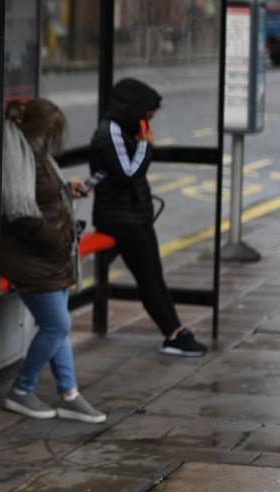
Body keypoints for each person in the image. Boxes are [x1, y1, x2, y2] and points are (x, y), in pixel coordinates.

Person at [0, 99, 107, 423]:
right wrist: (57, 240)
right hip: (30, 254)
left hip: (48, 253)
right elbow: (19, 211)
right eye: (51, 131)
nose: (53, 139)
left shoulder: (34, 152)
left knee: (58, 327)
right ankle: (21, 390)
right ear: (35, 128)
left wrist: (67, 188)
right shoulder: (16, 154)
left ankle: (69, 394)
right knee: (57, 325)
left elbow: (41, 193)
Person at [89, 78, 208, 357]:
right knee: (147, 277)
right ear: (133, 112)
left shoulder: (126, 130)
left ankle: (176, 330)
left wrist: (142, 141)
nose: (148, 124)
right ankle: (173, 333)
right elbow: (128, 174)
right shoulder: (111, 133)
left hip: (136, 215)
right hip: (120, 219)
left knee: (155, 273)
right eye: (146, 117)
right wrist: (146, 146)